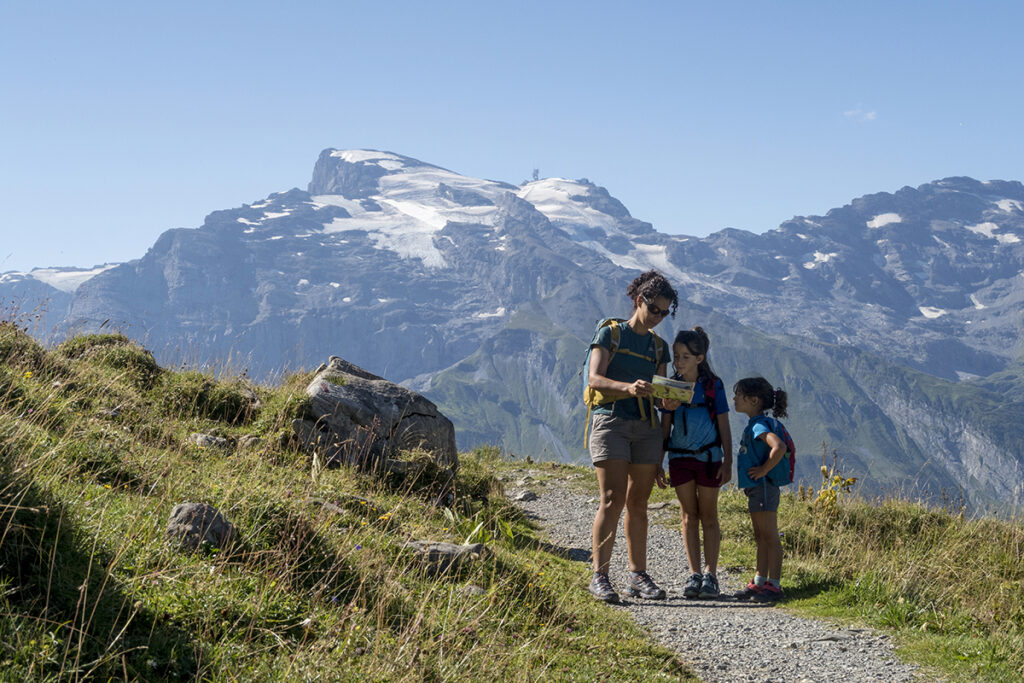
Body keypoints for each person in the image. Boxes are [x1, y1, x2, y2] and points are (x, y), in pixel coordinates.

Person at [586, 270, 678, 603]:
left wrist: (665, 400)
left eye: (665, 313)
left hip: (646, 427)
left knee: (639, 503)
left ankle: (637, 575)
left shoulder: (659, 347)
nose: (658, 318)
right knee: (612, 499)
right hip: (611, 422)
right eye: (655, 309)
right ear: (639, 301)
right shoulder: (610, 334)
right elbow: (594, 379)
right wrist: (628, 388)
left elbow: (659, 392)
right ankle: (600, 576)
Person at [659, 327, 732, 599]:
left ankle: (711, 575)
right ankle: (695, 573)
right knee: (689, 516)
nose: (678, 362)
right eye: (676, 356)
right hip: (679, 458)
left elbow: (724, 424)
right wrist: (659, 462)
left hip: (710, 458)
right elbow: (664, 427)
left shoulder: (714, 387)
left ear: (700, 358)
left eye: (685, 357)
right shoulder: (671, 387)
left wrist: (729, 460)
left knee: (709, 516)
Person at [732, 377, 790, 602]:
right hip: (758, 489)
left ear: (753, 400)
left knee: (769, 536)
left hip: (764, 487)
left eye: (739, 395)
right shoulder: (757, 422)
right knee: (760, 535)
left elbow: (779, 446)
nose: (735, 398)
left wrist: (764, 470)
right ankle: (759, 582)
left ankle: (773, 585)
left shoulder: (759, 425)